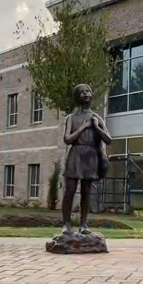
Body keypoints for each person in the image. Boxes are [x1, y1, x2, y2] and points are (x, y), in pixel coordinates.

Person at [61, 84, 112, 235]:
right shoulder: (71, 118)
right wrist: (83, 128)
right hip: (75, 154)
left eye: (88, 91)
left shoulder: (96, 118)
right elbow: (67, 139)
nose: (85, 94)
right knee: (69, 191)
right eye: (81, 92)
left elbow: (108, 139)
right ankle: (67, 224)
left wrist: (96, 127)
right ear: (77, 97)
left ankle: (84, 224)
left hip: (90, 156)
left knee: (86, 192)